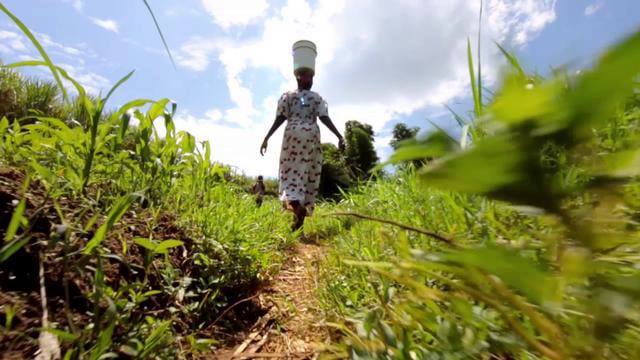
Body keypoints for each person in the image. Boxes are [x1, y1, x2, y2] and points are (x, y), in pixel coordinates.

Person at [260, 67, 344, 231]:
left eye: (312, 77)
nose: (311, 80)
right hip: (311, 136)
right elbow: (324, 117)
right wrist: (339, 136)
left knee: (290, 175)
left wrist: (267, 137)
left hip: (293, 135)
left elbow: (281, 118)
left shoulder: (287, 96)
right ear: (299, 78)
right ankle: (298, 222)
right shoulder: (316, 98)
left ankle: (297, 210)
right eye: (308, 77)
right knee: (307, 175)